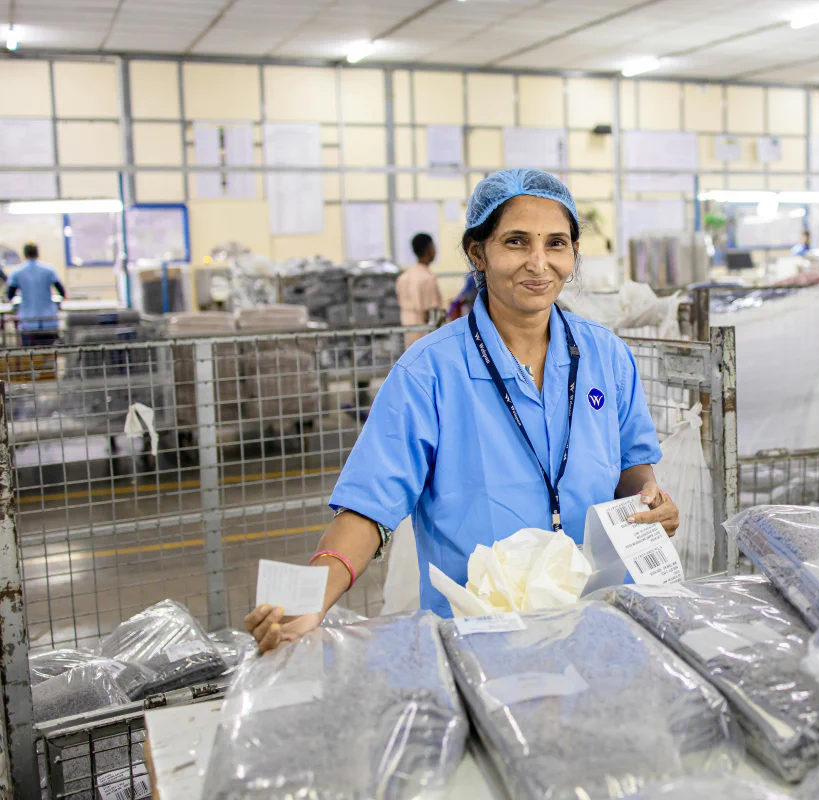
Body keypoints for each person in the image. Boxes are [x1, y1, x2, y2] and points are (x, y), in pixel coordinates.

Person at [247, 168, 679, 650]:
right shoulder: (429, 373)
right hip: (482, 638)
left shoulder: (606, 357)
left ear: (574, 254)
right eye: (516, 242)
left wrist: (651, 505)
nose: (539, 263)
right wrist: (311, 599)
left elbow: (632, 471)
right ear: (479, 252)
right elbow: (367, 511)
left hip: (597, 623)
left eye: (556, 243)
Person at [8, 243, 65, 346]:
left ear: (24, 254)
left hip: (27, 322)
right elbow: (62, 292)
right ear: (37, 253)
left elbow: (10, 295)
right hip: (49, 320)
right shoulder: (49, 270)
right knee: (50, 353)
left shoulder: (17, 272)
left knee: (31, 355)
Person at [395, 232, 443, 347]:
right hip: (425, 336)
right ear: (429, 249)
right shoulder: (428, 278)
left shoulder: (403, 277)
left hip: (408, 334)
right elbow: (432, 314)